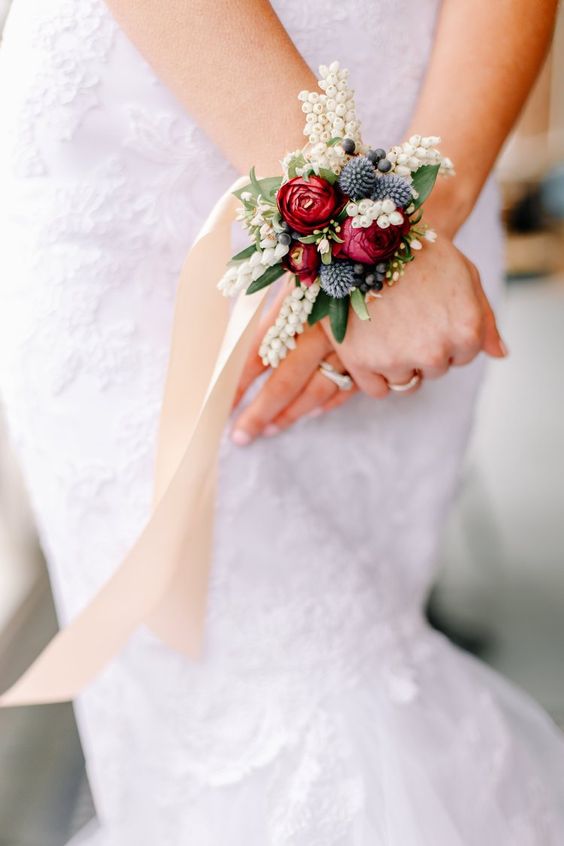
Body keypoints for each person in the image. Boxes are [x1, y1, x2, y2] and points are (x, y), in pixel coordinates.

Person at [0, 0, 562, 843]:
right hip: (148, 162)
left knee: (371, 653)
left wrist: (412, 225)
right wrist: (361, 231)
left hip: (426, 131)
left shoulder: (416, 217)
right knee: (299, 709)